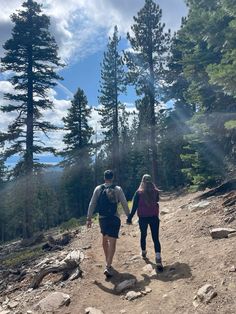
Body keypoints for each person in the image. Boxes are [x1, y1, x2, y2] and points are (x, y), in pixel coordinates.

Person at [87, 170, 130, 278]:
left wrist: (89, 218)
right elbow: (124, 202)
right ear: (113, 177)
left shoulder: (98, 188)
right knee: (113, 242)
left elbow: (92, 203)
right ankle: (108, 265)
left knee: (105, 240)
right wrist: (128, 216)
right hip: (114, 217)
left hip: (102, 218)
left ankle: (108, 262)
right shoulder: (117, 189)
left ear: (104, 178)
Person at [127, 174, 163, 272]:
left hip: (143, 218)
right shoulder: (155, 191)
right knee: (156, 238)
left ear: (142, 181)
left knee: (143, 235)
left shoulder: (138, 193)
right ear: (151, 181)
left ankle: (143, 252)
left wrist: (129, 218)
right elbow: (157, 201)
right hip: (154, 218)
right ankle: (158, 260)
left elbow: (134, 207)